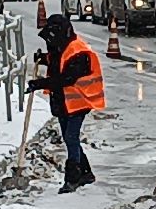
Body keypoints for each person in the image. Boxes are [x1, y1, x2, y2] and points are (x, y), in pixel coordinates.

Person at [27, 13, 106, 193]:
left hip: (79, 100)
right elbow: (57, 61)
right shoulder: (61, 46)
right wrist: (43, 58)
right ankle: (86, 173)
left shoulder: (78, 52)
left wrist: (39, 84)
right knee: (69, 138)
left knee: (71, 137)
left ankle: (73, 178)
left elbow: (66, 78)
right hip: (64, 101)